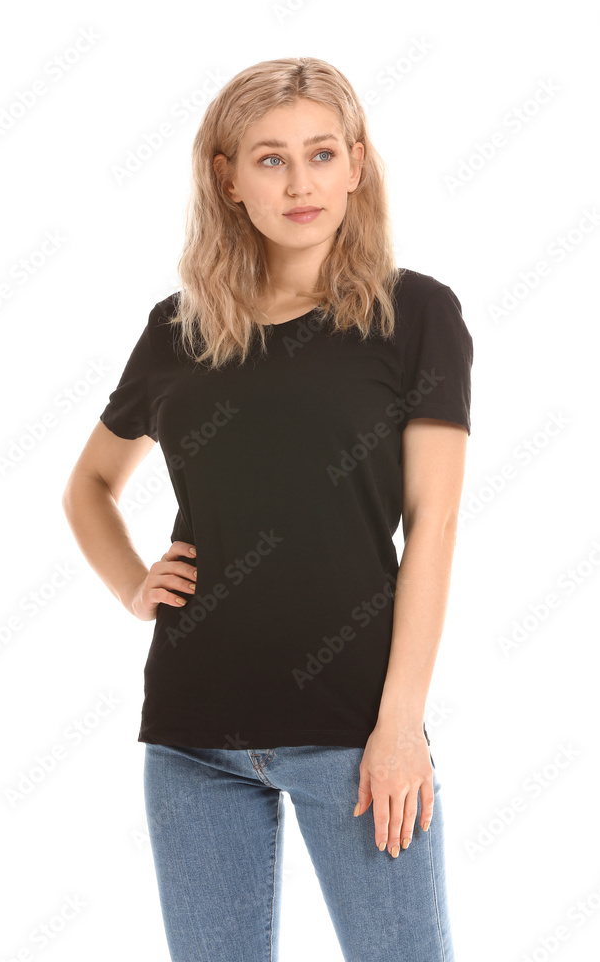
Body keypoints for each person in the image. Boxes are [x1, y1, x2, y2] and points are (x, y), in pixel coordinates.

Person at [62, 56, 473, 962]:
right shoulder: (177, 329)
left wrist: (399, 726)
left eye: (321, 154)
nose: (300, 182)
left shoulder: (416, 315)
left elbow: (432, 528)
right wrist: (135, 585)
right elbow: (87, 487)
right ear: (227, 177)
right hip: (192, 738)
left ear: (357, 165)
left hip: (354, 735)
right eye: (271, 159)